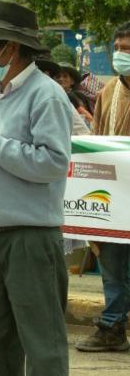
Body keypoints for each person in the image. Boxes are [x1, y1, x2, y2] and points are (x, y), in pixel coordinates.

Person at [0, 1, 71, 375]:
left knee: (43, 345)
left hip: (29, 238)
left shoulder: (46, 95)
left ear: (10, 48)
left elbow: (53, 163)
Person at [76, 20, 130, 353]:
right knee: (112, 265)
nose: (122, 54)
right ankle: (112, 327)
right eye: (119, 48)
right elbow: (97, 141)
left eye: (129, 49)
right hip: (115, 196)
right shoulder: (108, 92)